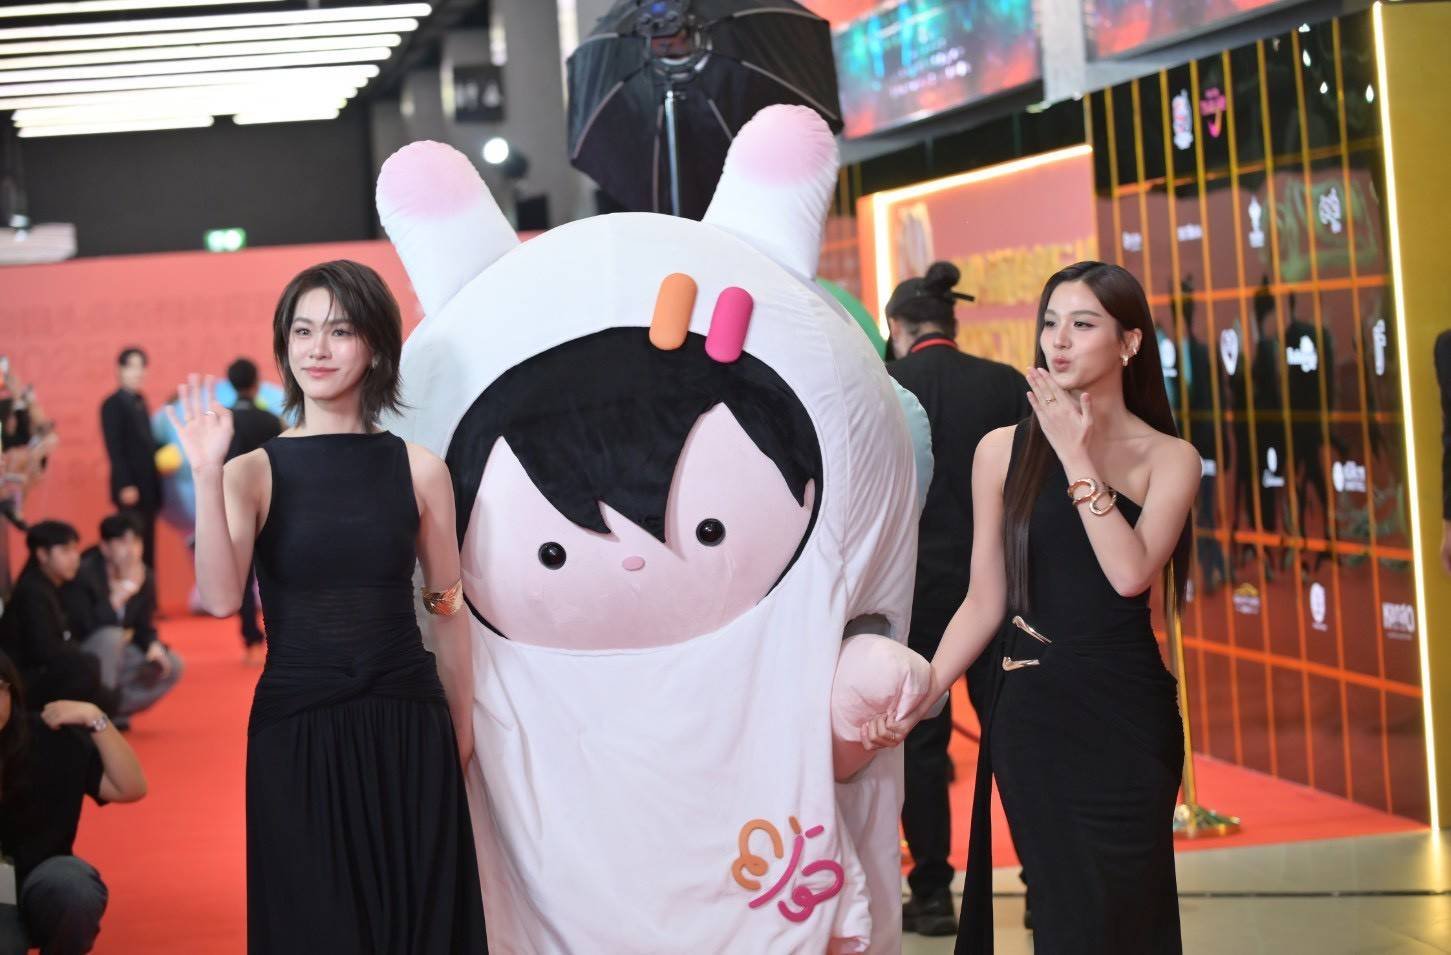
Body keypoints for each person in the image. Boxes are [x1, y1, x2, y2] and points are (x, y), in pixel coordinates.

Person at [866, 261, 1197, 953]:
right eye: (1050, 323)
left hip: (1128, 716)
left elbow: (1129, 573)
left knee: (1134, 918)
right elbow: (985, 598)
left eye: (1082, 324)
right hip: (1034, 719)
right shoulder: (999, 451)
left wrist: (1077, 459)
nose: (1059, 340)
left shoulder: (1170, 458)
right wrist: (928, 687)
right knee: (1065, 916)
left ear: (1129, 342)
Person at [165, 260, 486, 953]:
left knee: (416, 924)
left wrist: (460, 725)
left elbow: (446, 607)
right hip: (298, 727)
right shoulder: (251, 471)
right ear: (283, 347)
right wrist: (205, 473)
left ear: (375, 347)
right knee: (316, 925)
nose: (317, 349)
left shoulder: (419, 468)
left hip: (407, 721)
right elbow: (219, 598)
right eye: (302, 331)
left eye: (339, 331)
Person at [883, 260, 1028, 936]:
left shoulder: (885, 384)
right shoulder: (1004, 383)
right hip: (1003, 584)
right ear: (951, 321)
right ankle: (1042, 882)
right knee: (1015, 734)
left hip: (915, 591)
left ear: (898, 327)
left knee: (920, 741)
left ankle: (933, 890)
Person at [0, 650, 147, 955]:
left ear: (10, 691)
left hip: (41, 874)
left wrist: (96, 718)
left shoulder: (46, 737)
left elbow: (130, 788)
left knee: (74, 887)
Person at [62, 513, 184, 724]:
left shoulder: (145, 576)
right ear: (105, 547)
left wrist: (153, 646)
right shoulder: (84, 574)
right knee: (111, 636)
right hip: (83, 653)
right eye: (122, 542)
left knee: (172, 664)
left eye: (136, 542)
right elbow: (84, 626)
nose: (131, 550)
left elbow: (144, 626)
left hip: (120, 653)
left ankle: (113, 709)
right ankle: (97, 716)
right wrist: (121, 595)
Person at [0, 522, 113, 712]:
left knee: (92, 671)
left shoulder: (54, 585)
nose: (75, 557)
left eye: (75, 550)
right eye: (66, 551)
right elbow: (44, 651)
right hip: (22, 684)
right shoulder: (32, 591)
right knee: (85, 669)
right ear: (42, 554)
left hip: (43, 673)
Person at [223, 358, 283, 663]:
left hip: (233, 505)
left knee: (243, 576)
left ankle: (250, 641)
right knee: (277, 572)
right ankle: (282, 637)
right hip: (271, 503)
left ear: (231, 384)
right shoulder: (271, 420)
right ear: (256, 382)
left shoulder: (222, 422)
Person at [99, 349, 161, 574]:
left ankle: (148, 593)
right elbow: (114, 449)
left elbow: (146, 443)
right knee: (131, 547)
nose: (138, 372)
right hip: (130, 488)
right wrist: (125, 483)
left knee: (148, 546)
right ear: (120, 370)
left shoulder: (140, 401)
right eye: (132, 366)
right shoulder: (112, 404)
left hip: (148, 487)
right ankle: (131, 592)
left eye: (141, 367)